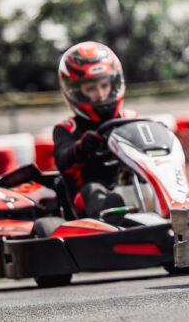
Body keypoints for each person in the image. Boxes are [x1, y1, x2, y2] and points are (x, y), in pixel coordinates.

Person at [53, 41, 134, 217]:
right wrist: (81, 147)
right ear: (76, 92)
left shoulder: (130, 119)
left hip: (134, 191)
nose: (101, 94)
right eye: (91, 88)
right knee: (93, 190)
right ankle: (112, 216)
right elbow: (62, 160)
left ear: (114, 84)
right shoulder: (68, 129)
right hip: (86, 207)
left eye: (104, 85)